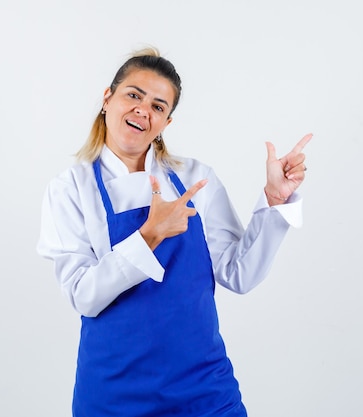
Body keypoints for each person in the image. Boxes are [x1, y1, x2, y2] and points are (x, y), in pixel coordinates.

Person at [37, 46, 312, 417]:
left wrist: (275, 201)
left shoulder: (195, 178)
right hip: (114, 395)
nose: (142, 110)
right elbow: (84, 296)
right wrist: (149, 235)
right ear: (108, 98)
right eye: (133, 95)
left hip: (205, 391)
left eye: (158, 106)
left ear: (166, 123)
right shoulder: (70, 189)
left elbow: (238, 274)